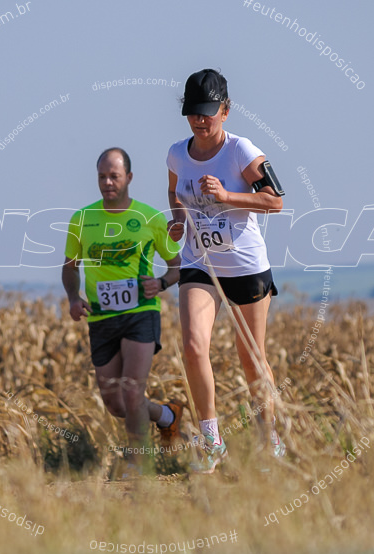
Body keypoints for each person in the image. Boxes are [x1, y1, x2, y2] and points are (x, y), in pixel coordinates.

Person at [166, 69, 286, 473]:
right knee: (194, 346)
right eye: (193, 113)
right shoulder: (176, 153)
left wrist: (227, 195)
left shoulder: (241, 151)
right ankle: (212, 441)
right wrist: (179, 219)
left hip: (246, 267)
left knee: (251, 358)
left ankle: (269, 438)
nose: (200, 121)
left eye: (208, 112)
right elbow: (173, 190)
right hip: (199, 263)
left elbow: (275, 202)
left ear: (226, 110)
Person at [62, 148, 184, 474]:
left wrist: (161, 283)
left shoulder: (150, 219)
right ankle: (167, 415)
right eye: (102, 176)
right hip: (101, 318)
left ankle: (138, 465)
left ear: (129, 178)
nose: (107, 182)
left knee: (132, 391)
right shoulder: (82, 219)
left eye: (114, 176)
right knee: (117, 403)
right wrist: (74, 297)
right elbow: (70, 267)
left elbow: (177, 267)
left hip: (141, 313)